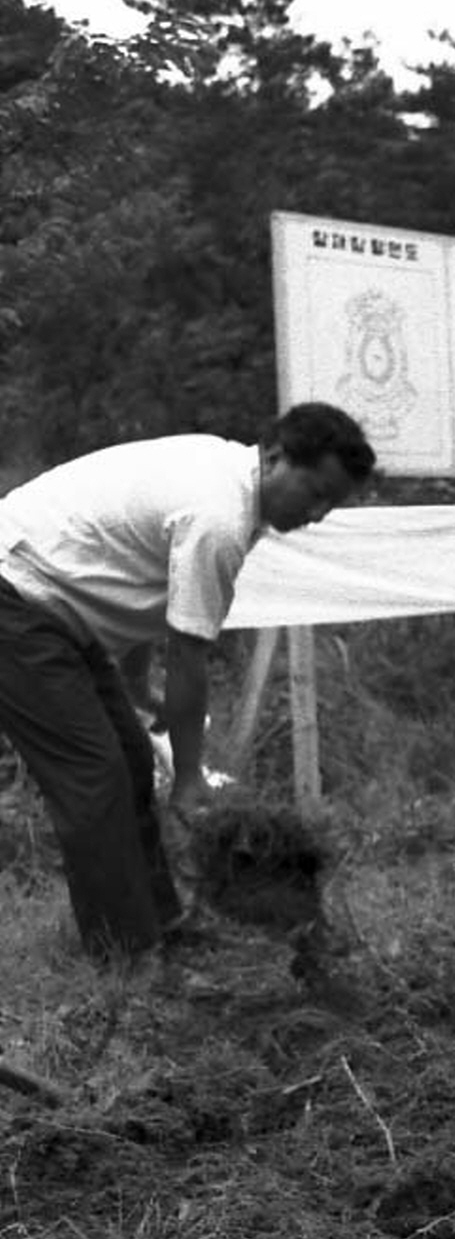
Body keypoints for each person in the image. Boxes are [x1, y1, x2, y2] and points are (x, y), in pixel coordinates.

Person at [0, 405, 375, 962]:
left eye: (332, 503)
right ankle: (125, 956)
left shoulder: (228, 480)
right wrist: (190, 777)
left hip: (54, 606)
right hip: (17, 597)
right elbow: (188, 655)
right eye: (315, 491)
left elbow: (141, 581)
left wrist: (135, 687)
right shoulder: (219, 517)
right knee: (94, 778)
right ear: (274, 458)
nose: (317, 513)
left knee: (128, 760)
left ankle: (160, 926)